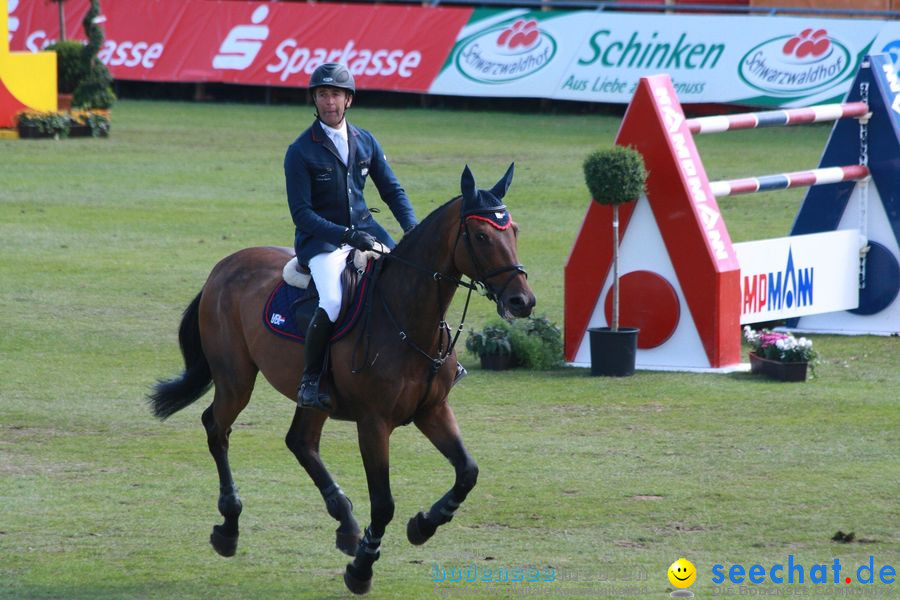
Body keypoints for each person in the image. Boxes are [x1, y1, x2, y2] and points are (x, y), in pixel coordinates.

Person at [284, 62, 418, 411]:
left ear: (349, 101)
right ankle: (311, 378)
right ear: (315, 100)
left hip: (364, 230)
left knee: (412, 277)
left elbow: (392, 190)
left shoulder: (365, 141)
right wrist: (346, 235)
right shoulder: (300, 151)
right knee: (331, 299)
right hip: (321, 242)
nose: (330, 102)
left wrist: (412, 229)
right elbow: (302, 215)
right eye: (323, 95)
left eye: (336, 95)